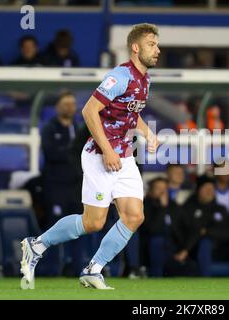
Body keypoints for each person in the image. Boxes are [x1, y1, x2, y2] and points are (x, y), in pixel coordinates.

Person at [20, 23, 160, 289]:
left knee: (134, 216)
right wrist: (107, 150)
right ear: (135, 47)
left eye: (157, 45)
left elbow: (130, 114)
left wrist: (146, 134)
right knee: (93, 222)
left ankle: (93, 269)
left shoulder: (145, 80)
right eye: (152, 44)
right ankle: (36, 245)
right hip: (99, 154)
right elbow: (89, 110)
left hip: (125, 155)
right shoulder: (119, 76)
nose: (157, 50)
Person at [182, 175, 229, 276]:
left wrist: (208, 231)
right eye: (206, 188)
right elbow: (194, 231)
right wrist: (208, 232)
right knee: (205, 242)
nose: (210, 191)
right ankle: (204, 279)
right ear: (198, 190)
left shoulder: (220, 208)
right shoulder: (188, 208)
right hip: (197, 249)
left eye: (212, 189)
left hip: (223, 247)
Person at [40, 91, 82, 230]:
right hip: (56, 186)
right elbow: (51, 153)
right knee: (55, 226)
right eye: (66, 104)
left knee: (77, 227)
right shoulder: (49, 128)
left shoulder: (78, 128)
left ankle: (77, 253)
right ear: (57, 107)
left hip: (76, 186)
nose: (70, 107)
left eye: (72, 104)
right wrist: (73, 152)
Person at [140, 177, 198, 277]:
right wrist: (162, 208)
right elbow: (152, 229)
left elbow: (191, 229)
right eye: (158, 188)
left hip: (174, 251)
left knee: (191, 268)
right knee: (157, 240)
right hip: (150, 250)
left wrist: (185, 250)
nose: (162, 192)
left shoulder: (175, 207)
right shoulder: (144, 205)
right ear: (150, 190)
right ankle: (155, 278)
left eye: (164, 189)